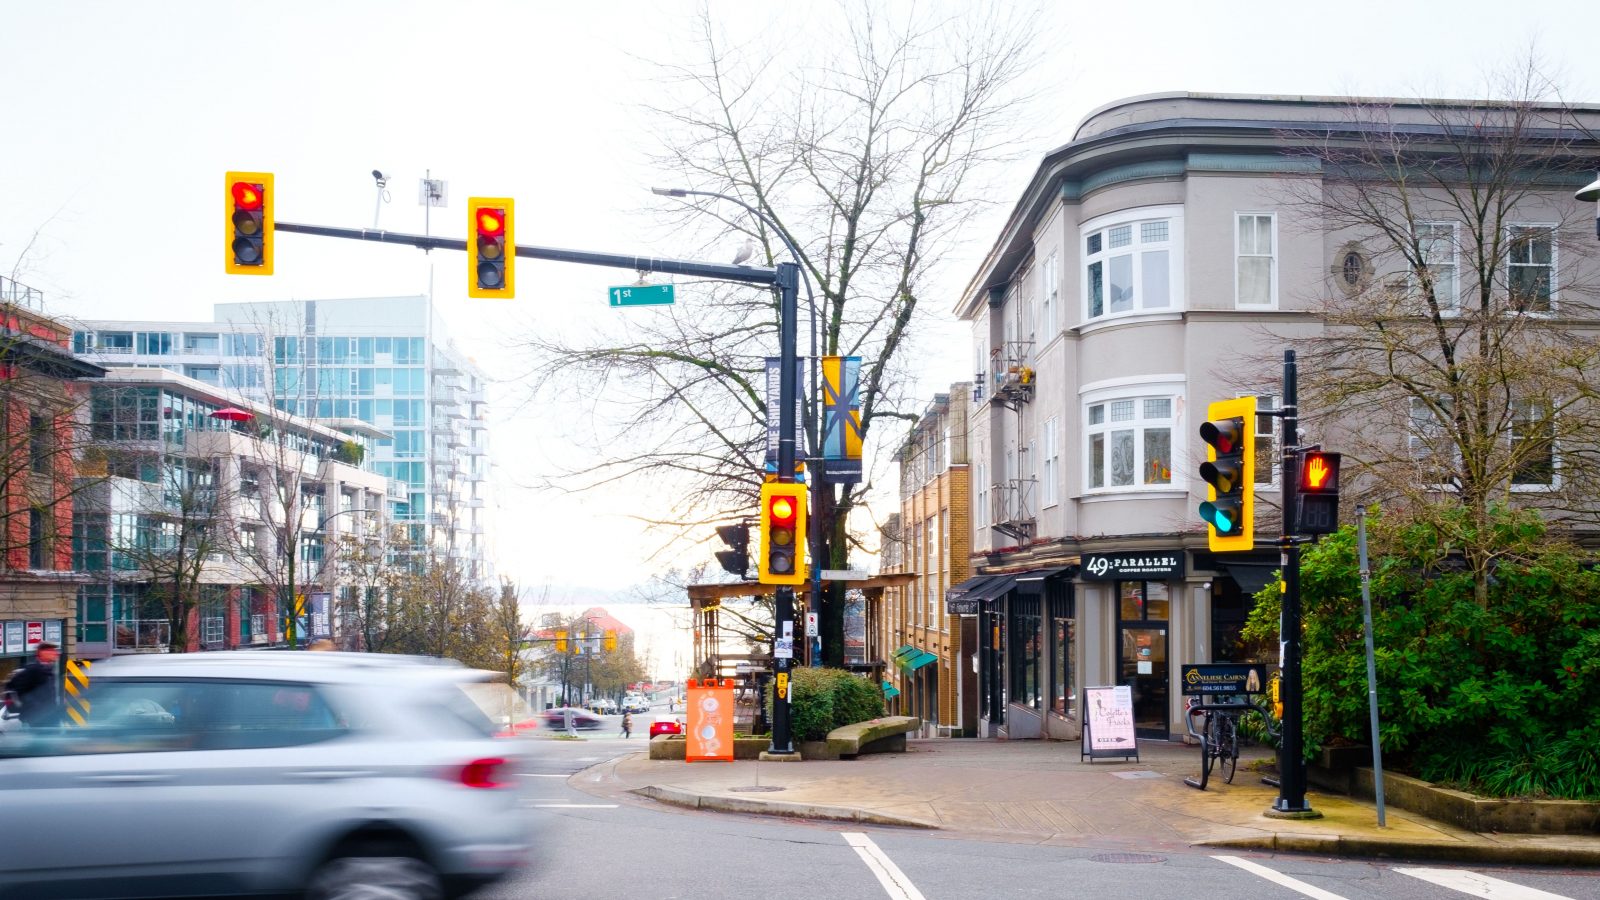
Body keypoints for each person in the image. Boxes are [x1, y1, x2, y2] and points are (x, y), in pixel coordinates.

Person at [3, 641, 62, 727]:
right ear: (42, 653)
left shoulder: (48, 670)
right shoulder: (33, 670)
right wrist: (36, 709)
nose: (55, 653)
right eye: (51, 651)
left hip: (49, 718)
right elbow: (20, 691)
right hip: (38, 720)